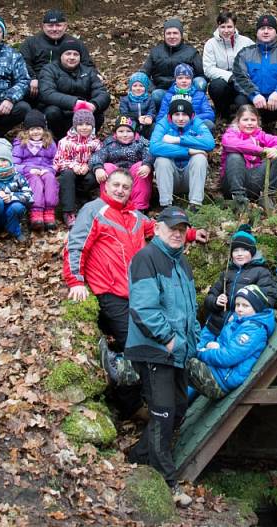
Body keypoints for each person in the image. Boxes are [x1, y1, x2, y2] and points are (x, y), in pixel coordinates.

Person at [63, 170, 208, 417]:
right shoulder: (94, 210)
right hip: (111, 291)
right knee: (134, 346)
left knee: (147, 345)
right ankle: (132, 406)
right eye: (116, 185)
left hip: (138, 292)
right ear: (106, 187)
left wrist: (190, 234)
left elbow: (157, 228)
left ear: (132, 191)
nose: (120, 190)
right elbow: (76, 244)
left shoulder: (133, 215)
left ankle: (152, 403)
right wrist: (75, 280)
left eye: (126, 187)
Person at [125, 205, 202, 507]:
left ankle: (138, 457)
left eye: (182, 229)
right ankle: (167, 482)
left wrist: (191, 341)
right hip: (154, 350)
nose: (177, 233)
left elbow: (190, 309)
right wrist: (168, 339)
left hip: (178, 351)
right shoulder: (146, 258)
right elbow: (143, 308)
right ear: (157, 229)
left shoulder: (182, 262)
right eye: (171, 227)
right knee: (163, 411)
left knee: (179, 406)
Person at [232, 14, 277, 160]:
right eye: (262, 28)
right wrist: (254, 94)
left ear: (276, 32)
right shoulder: (245, 53)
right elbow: (238, 77)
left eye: (270, 28)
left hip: (275, 104)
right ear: (257, 32)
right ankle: (247, 138)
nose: (266, 31)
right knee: (240, 98)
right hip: (254, 105)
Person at [189, 284, 275, 400]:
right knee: (176, 361)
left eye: (245, 305)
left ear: (257, 307)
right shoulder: (240, 320)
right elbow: (224, 344)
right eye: (237, 305)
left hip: (220, 381)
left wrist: (200, 352)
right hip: (216, 370)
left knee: (180, 360)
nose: (239, 309)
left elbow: (228, 357)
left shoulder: (253, 330)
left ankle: (166, 412)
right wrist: (214, 346)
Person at [201, 225, 276, 337]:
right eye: (236, 250)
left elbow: (267, 301)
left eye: (244, 250)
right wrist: (216, 301)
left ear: (252, 252)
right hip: (215, 326)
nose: (239, 254)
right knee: (199, 350)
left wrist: (236, 317)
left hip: (240, 329)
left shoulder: (261, 272)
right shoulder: (226, 273)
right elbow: (209, 298)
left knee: (217, 353)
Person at [149, 94, 215, 211]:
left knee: (200, 157)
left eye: (184, 114)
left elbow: (209, 143)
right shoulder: (163, 124)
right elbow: (154, 148)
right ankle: (166, 205)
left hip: (190, 178)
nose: (180, 118)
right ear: (170, 116)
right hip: (170, 178)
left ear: (192, 116)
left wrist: (179, 140)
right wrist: (188, 151)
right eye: (176, 114)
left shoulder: (196, 123)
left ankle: (195, 204)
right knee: (161, 160)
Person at [220, 104, 277, 209]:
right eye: (245, 120)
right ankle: (238, 200)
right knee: (234, 156)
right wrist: (261, 151)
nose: (249, 123)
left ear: (257, 122)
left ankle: (268, 196)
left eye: (253, 120)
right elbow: (230, 143)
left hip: (255, 180)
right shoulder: (231, 134)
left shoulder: (261, 135)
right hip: (233, 183)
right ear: (238, 122)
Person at [39, 38, 110, 140]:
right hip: (60, 112)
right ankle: (58, 142)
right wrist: (75, 103)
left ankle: (87, 141)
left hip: (83, 113)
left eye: (75, 54)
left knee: (98, 115)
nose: (72, 57)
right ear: (61, 55)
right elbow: (46, 93)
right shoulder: (49, 69)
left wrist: (94, 105)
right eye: (68, 54)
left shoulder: (89, 71)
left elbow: (102, 93)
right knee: (52, 112)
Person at [20, 9, 96, 104]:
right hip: (39, 85)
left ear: (65, 26)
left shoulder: (75, 43)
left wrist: (96, 75)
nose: (54, 29)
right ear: (43, 26)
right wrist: (32, 77)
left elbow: (87, 64)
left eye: (58, 25)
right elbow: (23, 63)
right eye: (50, 26)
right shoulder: (31, 43)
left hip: (70, 84)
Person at [90, 115, 154, 212]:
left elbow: (150, 153)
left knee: (141, 167)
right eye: (121, 131)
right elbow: (97, 155)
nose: (125, 135)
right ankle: (109, 204)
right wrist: (98, 168)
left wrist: (147, 165)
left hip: (134, 176)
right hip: (116, 175)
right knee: (106, 167)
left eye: (129, 131)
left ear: (134, 132)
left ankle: (139, 207)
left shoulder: (140, 142)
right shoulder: (109, 143)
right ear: (115, 133)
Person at [53, 102, 102, 227]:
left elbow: (99, 158)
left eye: (87, 124)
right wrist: (74, 166)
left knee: (93, 176)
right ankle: (68, 211)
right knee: (67, 175)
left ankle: (82, 199)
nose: (84, 127)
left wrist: (88, 166)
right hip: (70, 172)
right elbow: (59, 160)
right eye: (80, 124)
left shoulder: (95, 143)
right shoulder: (65, 142)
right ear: (75, 126)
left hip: (86, 173)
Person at [142, 19, 206, 107]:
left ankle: (196, 110)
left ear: (181, 35)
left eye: (175, 33)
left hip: (187, 92)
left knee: (200, 81)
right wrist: (152, 89)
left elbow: (202, 75)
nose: (172, 36)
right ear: (164, 35)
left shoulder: (192, 52)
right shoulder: (155, 52)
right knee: (152, 91)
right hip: (163, 91)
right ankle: (160, 116)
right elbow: (144, 73)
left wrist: (189, 89)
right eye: (168, 33)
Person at [12, 109, 58, 231]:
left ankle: (49, 211)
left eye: (38, 128)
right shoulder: (21, 143)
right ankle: (36, 212)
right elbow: (14, 164)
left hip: (46, 170)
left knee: (50, 179)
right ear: (27, 131)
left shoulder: (50, 143)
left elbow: (57, 161)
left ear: (44, 130)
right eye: (32, 129)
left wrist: (50, 170)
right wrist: (28, 169)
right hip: (28, 172)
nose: (35, 132)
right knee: (35, 181)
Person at [203, 11, 254, 119]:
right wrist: (229, 76)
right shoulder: (210, 44)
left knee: (242, 102)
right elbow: (208, 69)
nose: (226, 31)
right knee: (216, 86)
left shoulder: (247, 42)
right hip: (224, 84)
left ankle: (240, 114)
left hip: (242, 84)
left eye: (229, 26)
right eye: (223, 27)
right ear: (218, 27)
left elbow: (256, 65)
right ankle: (223, 113)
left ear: (235, 26)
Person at [157, 63, 216, 131]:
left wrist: (190, 119)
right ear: (175, 80)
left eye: (187, 78)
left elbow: (209, 114)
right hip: (174, 127)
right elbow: (161, 117)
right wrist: (175, 122)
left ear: (191, 80)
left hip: (193, 125)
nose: (184, 81)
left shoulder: (200, 95)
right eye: (180, 78)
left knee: (208, 124)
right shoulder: (168, 96)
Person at [119, 72, 157, 139]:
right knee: (125, 125)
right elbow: (124, 113)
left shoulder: (149, 99)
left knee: (154, 126)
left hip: (146, 125)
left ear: (146, 87)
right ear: (131, 87)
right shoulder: (125, 100)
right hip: (132, 124)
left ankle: (152, 142)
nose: (138, 88)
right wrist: (137, 118)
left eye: (141, 86)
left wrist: (149, 117)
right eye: (135, 86)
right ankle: (132, 141)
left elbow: (152, 111)